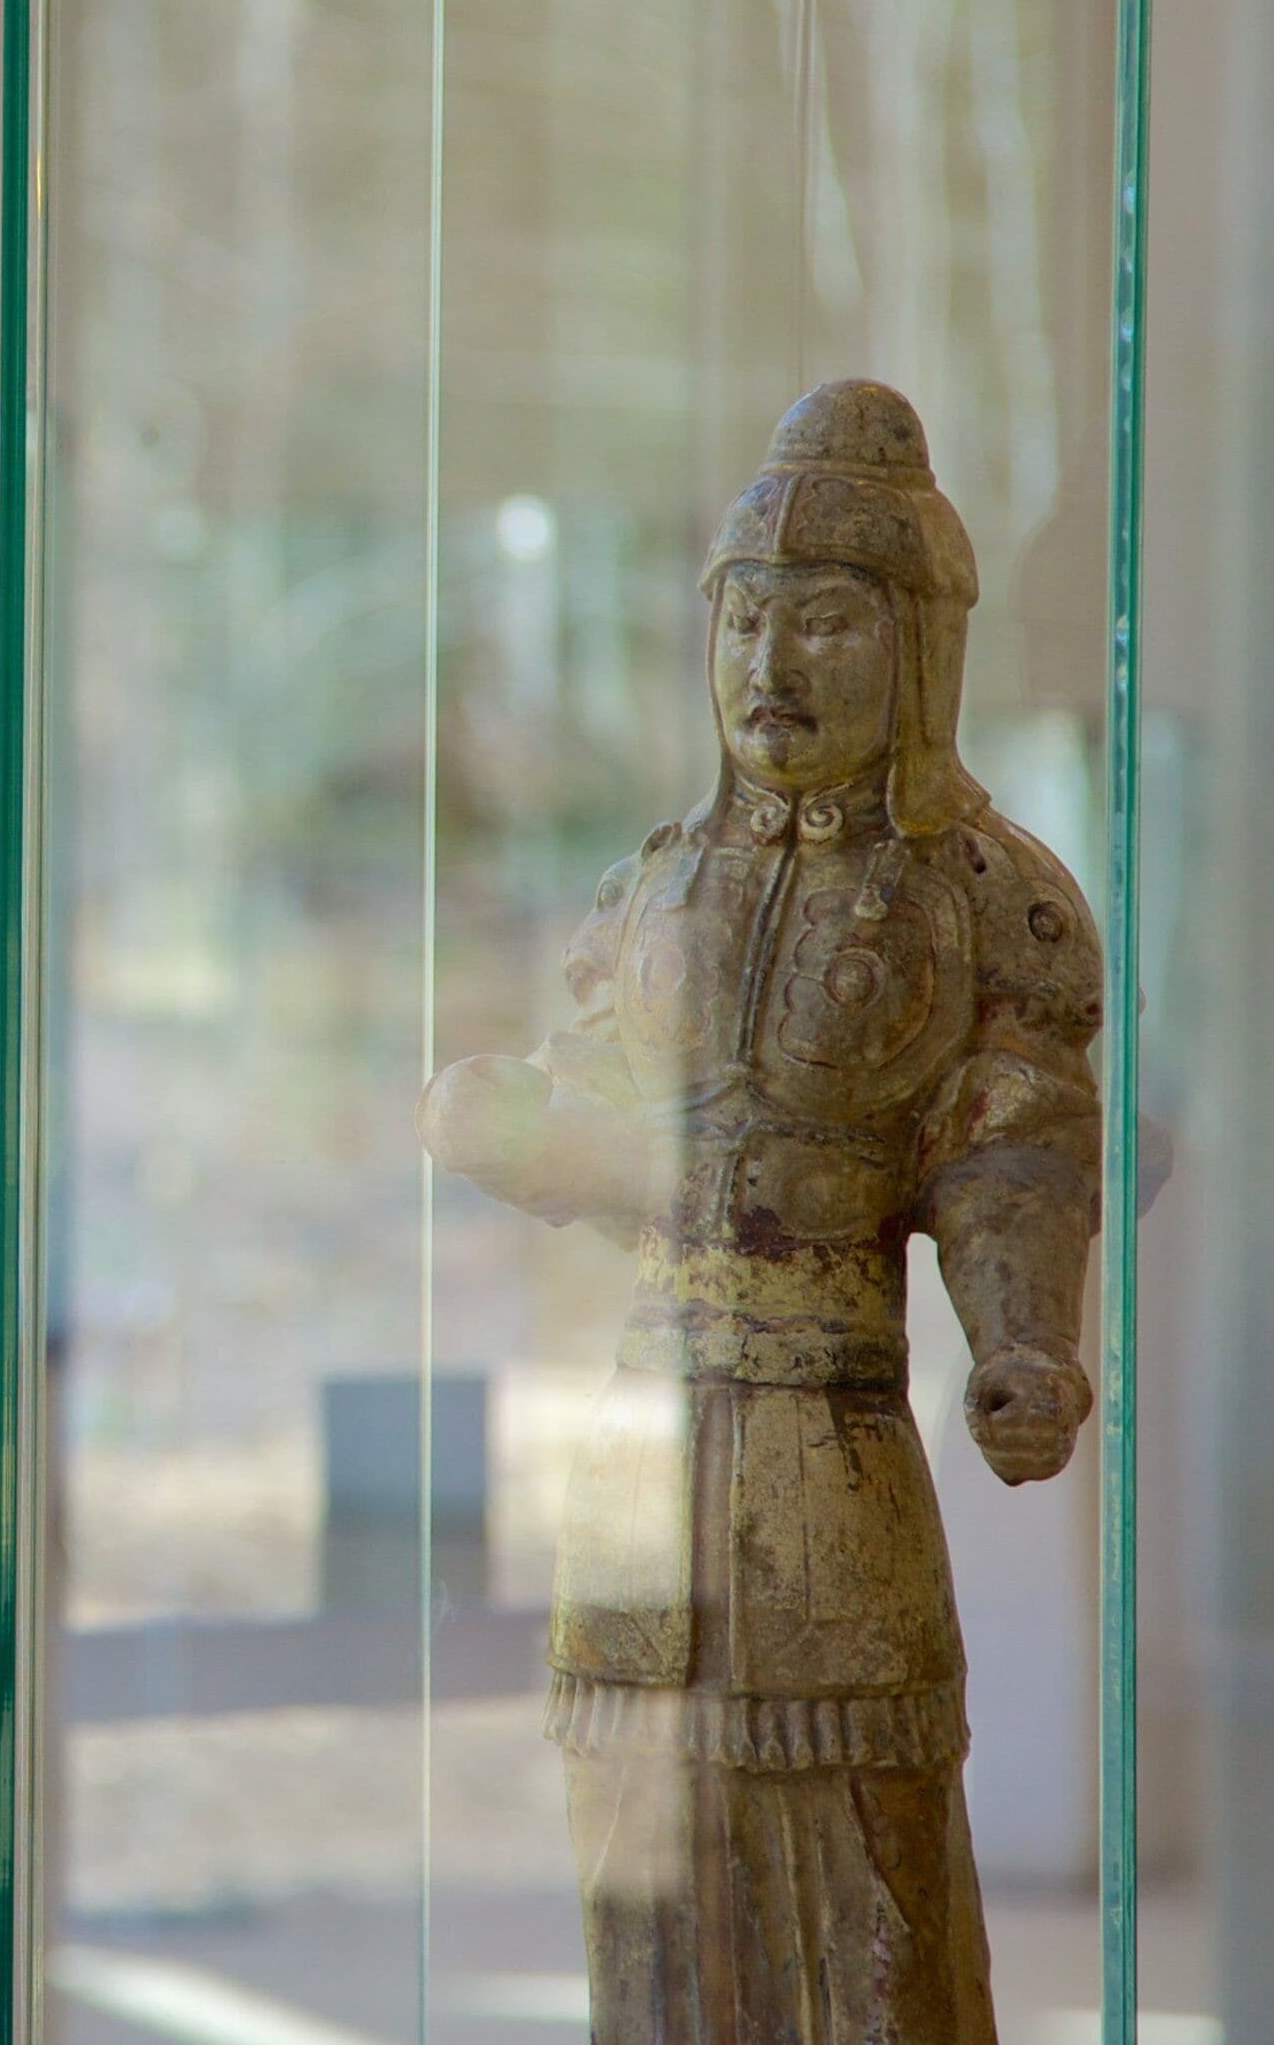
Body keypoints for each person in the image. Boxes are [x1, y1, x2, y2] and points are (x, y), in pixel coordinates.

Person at [421, 379, 1102, 2042]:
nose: (770, 665)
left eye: (826, 624)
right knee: (644, 1876)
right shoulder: (658, 886)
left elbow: (1012, 1146)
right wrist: (516, 1120)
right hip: (644, 1454)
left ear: (916, 648)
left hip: (832, 1447)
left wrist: (1023, 1345)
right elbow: (615, 1119)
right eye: (745, 622)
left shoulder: (980, 900)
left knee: (865, 1863)